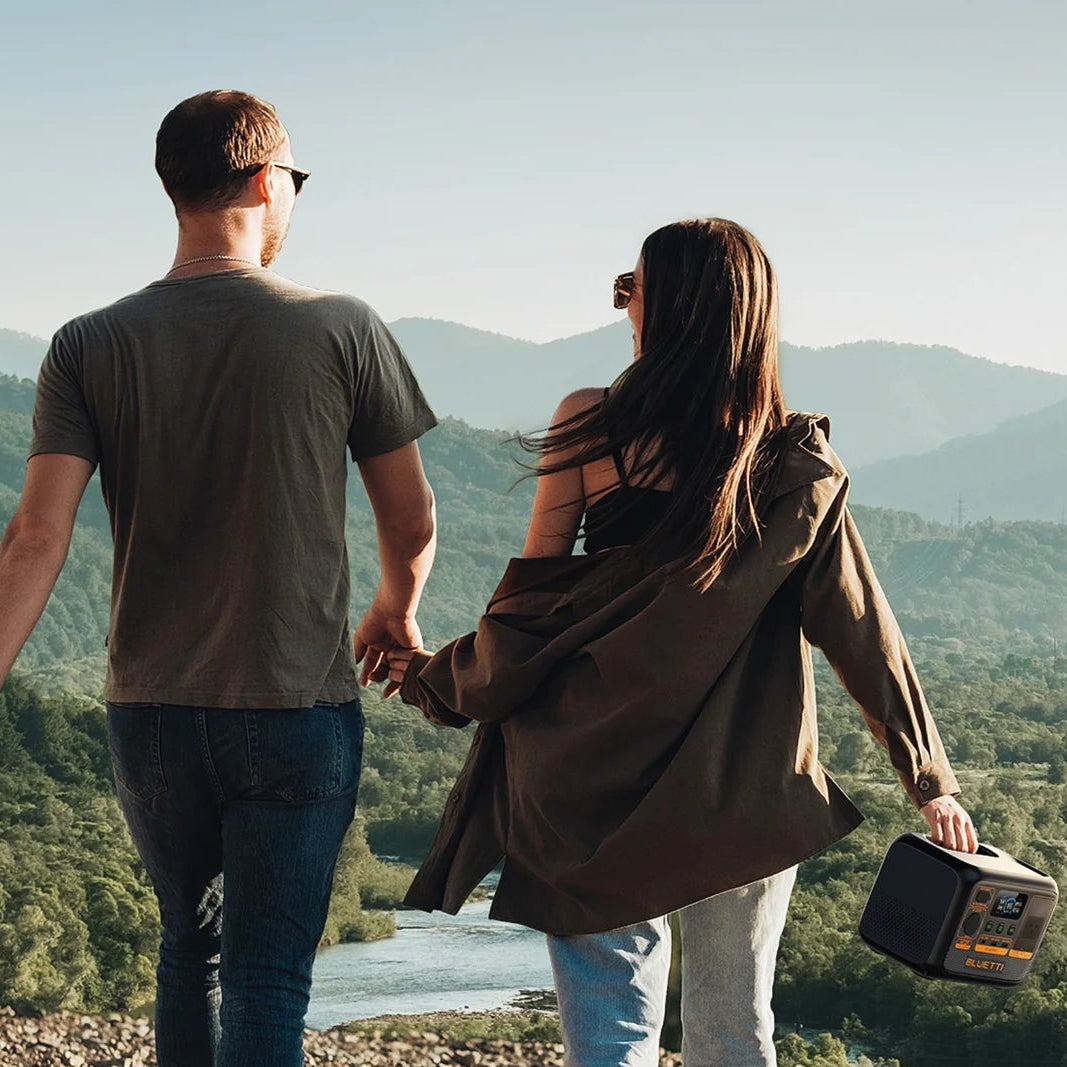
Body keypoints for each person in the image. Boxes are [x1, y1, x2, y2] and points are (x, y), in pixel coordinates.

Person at [385, 218, 977, 1067]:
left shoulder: (591, 424)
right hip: (741, 791)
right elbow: (860, 627)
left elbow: (528, 615)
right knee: (734, 1031)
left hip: (588, 787)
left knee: (613, 1034)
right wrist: (929, 780)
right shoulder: (792, 460)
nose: (622, 304)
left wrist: (431, 676)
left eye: (631, 288)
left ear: (662, 308)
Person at [0, 90, 437, 1066]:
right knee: (269, 977)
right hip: (294, 703)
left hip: (149, 707)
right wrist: (393, 609)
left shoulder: (86, 344)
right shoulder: (339, 326)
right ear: (263, 177)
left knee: (186, 950)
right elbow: (410, 516)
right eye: (295, 181)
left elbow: (36, 535)